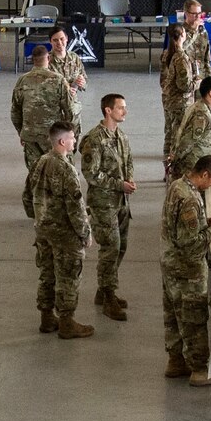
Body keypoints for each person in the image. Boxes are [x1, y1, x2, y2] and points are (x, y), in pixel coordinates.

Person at [161, 155, 211, 386]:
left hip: (170, 263)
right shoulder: (190, 199)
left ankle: (175, 360)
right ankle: (200, 369)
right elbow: (189, 243)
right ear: (203, 175)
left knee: (172, 315)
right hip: (187, 269)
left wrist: (207, 222)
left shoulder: (178, 186)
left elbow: (181, 226)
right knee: (194, 318)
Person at [28, 122, 93, 339]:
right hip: (64, 234)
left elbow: (27, 196)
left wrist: (39, 218)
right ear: (62, 142)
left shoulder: (40, 163)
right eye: (73, 138)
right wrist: (84, 233)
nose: (75, 141)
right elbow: (75, 206)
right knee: (68, 276)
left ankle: (46, 318)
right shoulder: (66, 170)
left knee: (47, 274)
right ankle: (66, 321)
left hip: (43, 230)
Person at [80, 95, 135, 322]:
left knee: (121, 247)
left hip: (121, 200)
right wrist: (118, 184)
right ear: (107, 110)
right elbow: (90, 174)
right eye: (120, 108)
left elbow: (128, 161)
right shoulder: (95, 139)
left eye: (125, 107)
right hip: (103, 203)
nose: (125, 111)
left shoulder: (120, 135)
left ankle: (104, 291)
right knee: (110, 248)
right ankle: (108, 296)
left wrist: (129, 180)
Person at [10, 45, 75, 217]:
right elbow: (69, 110)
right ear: (49, 59)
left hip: (30, 135)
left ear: (33, 60)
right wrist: (68, 135)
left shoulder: (22, 80)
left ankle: (35, 210)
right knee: (58, 170)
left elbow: (15, 111)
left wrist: (21, 131)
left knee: (35, 171)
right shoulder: (58, 79)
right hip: (52, 137)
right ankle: (59, 208)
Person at [159, 24, 193, 170]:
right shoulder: (181, 58)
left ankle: (166, 167)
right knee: (178, 137)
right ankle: (174, 169)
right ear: (181, 36)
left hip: (168, 100)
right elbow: (184, 85)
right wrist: (197, 82)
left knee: (169, 133)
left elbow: (163, 79)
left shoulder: (166, 54)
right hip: (180, 103)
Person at [174, 76, 211, 174]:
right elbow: (187, 142)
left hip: (198, 163)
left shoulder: (202, 106)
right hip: (192, 166)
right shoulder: (201, 115)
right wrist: (175, 160)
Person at [49, 28, 88, 113]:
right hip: (54, 110)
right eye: (55, 40)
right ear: (50, 42)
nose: (59, 43)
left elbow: (85, 80)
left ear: (67, 39)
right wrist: (65, 91)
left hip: (73, 108)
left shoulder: (74, 58)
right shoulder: (46, 61)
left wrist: (82, 83)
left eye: (62, 39)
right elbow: (42, 88)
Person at [182, 0, 211, 77]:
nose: (198, 16)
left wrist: (208, 73)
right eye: (194, 13)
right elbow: (180, 48)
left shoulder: (202, 29)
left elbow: (207, 52)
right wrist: (194, 30)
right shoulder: (180, 30)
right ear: (186, 13)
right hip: (186, 73)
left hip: (201, 72)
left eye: (199, 13)